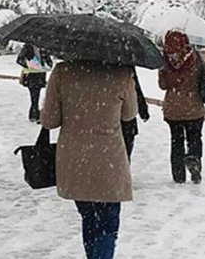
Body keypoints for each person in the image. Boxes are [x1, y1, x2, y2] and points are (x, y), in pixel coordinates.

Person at [41, 61, 137, 259]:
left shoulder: (63, 72)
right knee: (108, 223)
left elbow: (50, 120)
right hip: (109, 160)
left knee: (89, 218)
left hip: (75, 159)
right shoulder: (122, 73)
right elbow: (129, 115)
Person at [157, 30, 205, 184]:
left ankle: (178, 175)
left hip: (173, 109)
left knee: (176, 140)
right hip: (193, 106)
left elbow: (162, 85)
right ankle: (194, 158)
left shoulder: (165, 60)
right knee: (195, 137)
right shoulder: (194, 57)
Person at [16, 43, 53, 122]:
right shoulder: (27, 48)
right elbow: (19, 60)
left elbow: (49, 61)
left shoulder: (43, 49)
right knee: (34, 96)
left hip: (40, 76)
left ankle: (34, 114)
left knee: (36, 96)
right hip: (31, 76)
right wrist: (30, 65)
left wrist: (47, 65)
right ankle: (35, 114)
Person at [121, 71, 150, 161]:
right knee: (125, 154)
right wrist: (143, 109)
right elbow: (135, 88)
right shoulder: (126, 66)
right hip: (125, 117)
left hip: (101, 116)